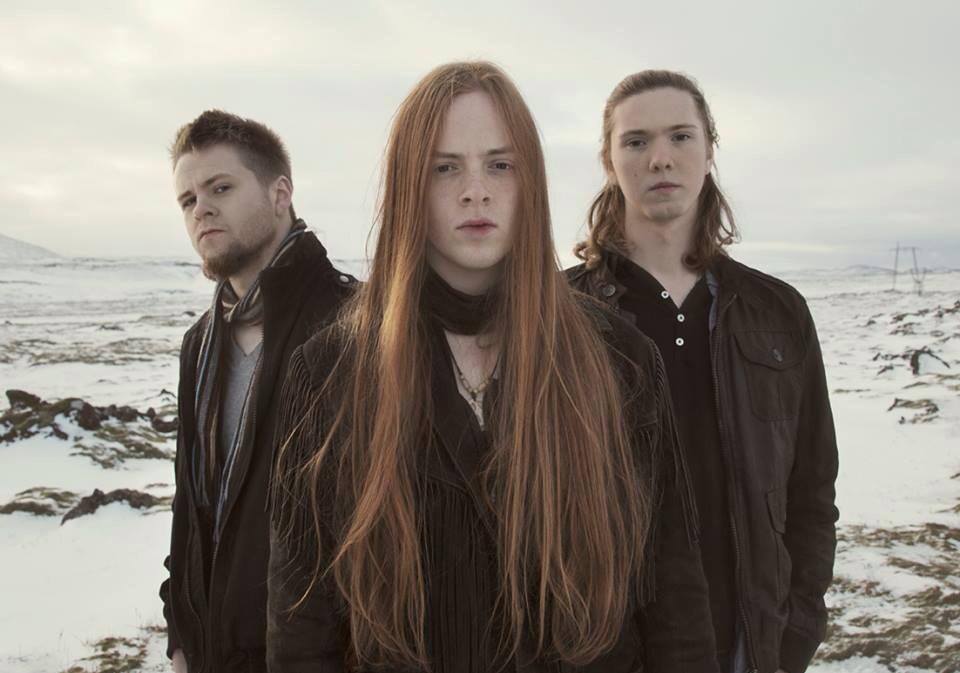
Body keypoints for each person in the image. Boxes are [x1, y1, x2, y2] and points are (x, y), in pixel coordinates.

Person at [266, 61, 718, 673]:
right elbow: (301, 627)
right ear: (407, 188)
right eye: (445, 167)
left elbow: (673, 595)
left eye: (500, 165)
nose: (475, 190)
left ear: (530, 182)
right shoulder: (329, 371)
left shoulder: (619, 357)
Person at [567, 70, 839, 673]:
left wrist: (798, 625)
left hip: (748, 641)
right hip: (606, 648)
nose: (660, 157)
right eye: (636, 141)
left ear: (710, 149)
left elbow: (812, 487)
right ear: (609, 161)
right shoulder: (561, 313)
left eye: (680, 136)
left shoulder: (777, 311)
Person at [159, 109, 357, 673]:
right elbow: (191, 506)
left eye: (220, 187)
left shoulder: (355, 323)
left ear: (280, 193)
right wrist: (181, 635)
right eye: (188, 199)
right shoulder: (200, 343)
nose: (201, 209)